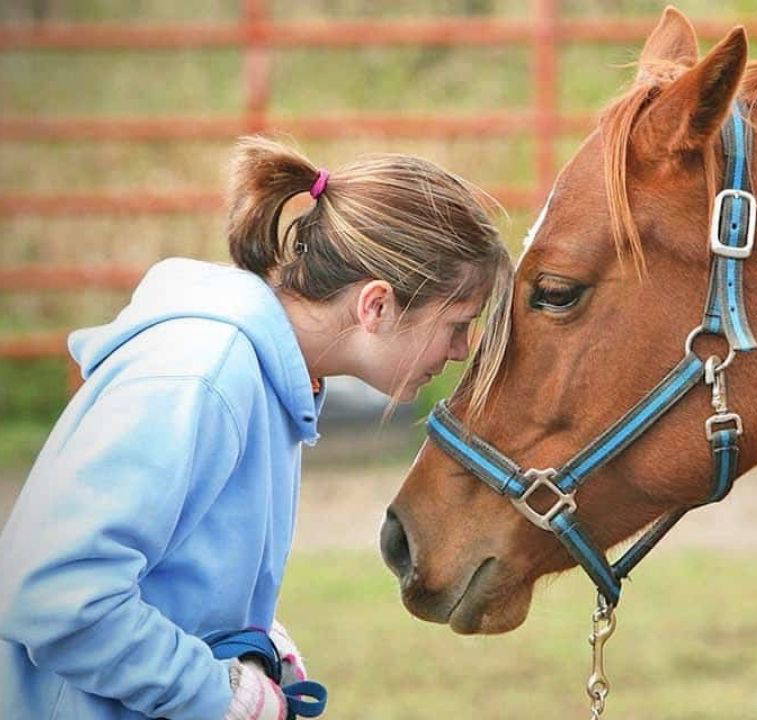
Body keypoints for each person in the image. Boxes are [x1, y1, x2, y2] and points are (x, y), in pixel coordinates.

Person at [0, 137, 512, 719]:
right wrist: (222, 695)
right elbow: (57, 593)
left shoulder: (273, 384)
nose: (461, 350)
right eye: (457, 324)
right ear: (376, 306)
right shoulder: (205, 377)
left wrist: (257, 635)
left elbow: (174, 568)